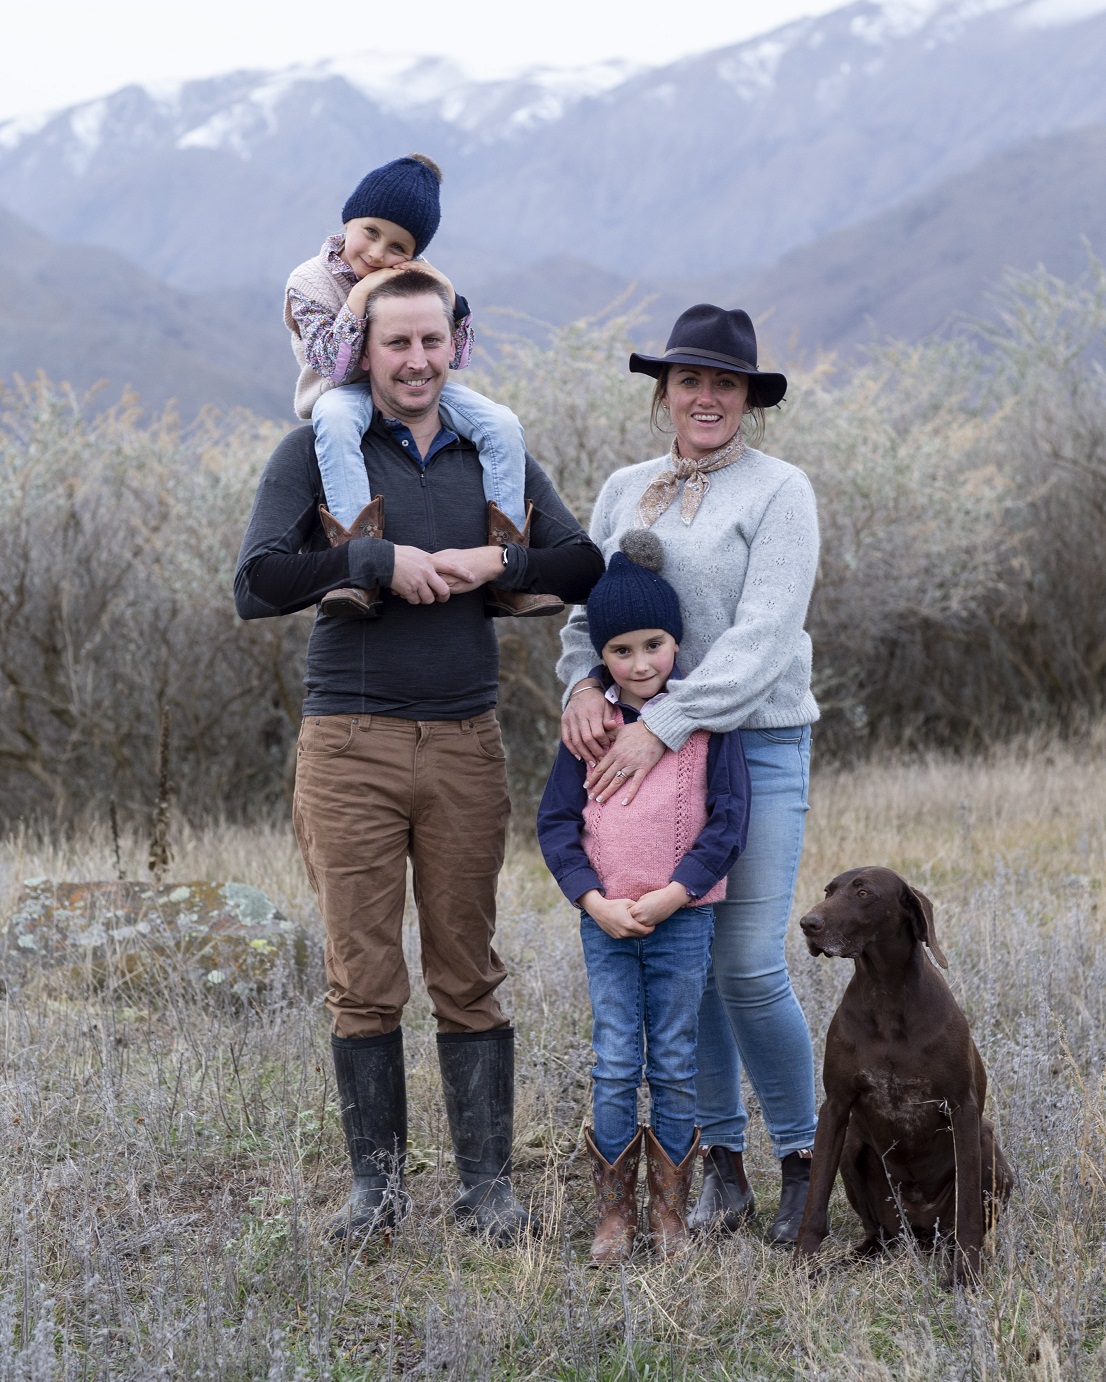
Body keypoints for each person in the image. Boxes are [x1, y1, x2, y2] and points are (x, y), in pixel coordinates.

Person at [235, 269, 604, 1245]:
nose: (415, 360)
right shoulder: (318, 446)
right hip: (346, 741)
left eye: (430, 341)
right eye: (394, 343)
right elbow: (258, 580)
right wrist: (371, 560)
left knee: (466, 968)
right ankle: (379, 1192)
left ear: (456, 344)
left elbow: (580, 563)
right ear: (361, 349)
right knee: (362, 973)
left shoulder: (493, 448)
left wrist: (499, 562)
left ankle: (486, 1190)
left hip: (463, 738)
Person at [557, 303, 821, 1246]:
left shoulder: (779, 490)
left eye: (726, 383)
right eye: (690, 380)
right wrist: (582, 688)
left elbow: (763, 639)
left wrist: (662, 723)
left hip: (752, 744)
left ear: (749, 398)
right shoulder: (625, 488)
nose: (706, 397)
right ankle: (717, 1171)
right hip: (638, 761)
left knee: (747, 967)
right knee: (689, 972)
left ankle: (804, 1161)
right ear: (663, 392)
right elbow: (589, 618)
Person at [537, 530, 750, 1264]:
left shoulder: (704, 727)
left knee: (675, 1060)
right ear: (602, 658)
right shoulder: (589, 732)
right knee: (616, 1058)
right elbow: (556, 828)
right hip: (607, 926)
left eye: (653, 645)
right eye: (621, 652)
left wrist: (673, 895)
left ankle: (671, 1214)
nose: (639, 664)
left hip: (681, 921)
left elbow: (728, 825)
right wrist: (593, 903)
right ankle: (614, 1217)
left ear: (675, 640)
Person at [284, 151, 557, 619]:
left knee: (500, 422)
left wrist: (446, 291)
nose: (377, 253)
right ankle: (358, 566)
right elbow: (332, 363)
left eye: (398, 247)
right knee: (334, 420)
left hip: (414, 384)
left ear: (413, 252)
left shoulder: (418, 278)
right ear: (349, 220)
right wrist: (360, 294)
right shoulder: (309, 281)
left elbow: (461, 356)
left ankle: (507, 567)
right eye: (370, 232)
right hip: (342, 391)